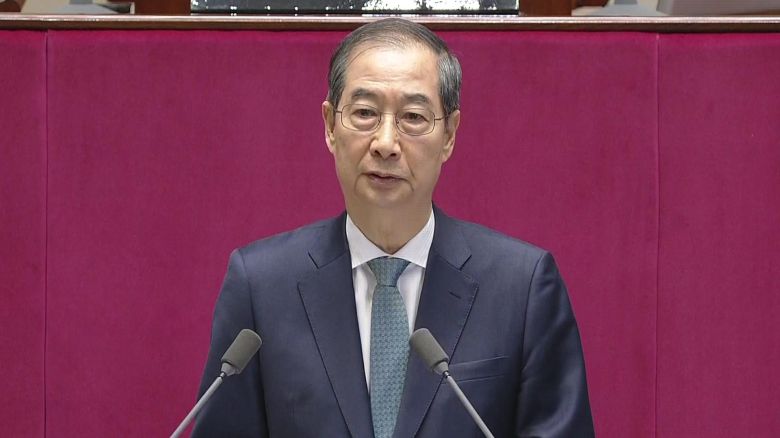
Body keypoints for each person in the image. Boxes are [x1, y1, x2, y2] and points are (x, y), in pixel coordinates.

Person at [193, 18, 594, 438]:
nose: (385, 143)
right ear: (330, 125)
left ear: (449, 134)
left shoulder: (522, 288)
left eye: (413, 117)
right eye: (365, 113)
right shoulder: (261, 287)